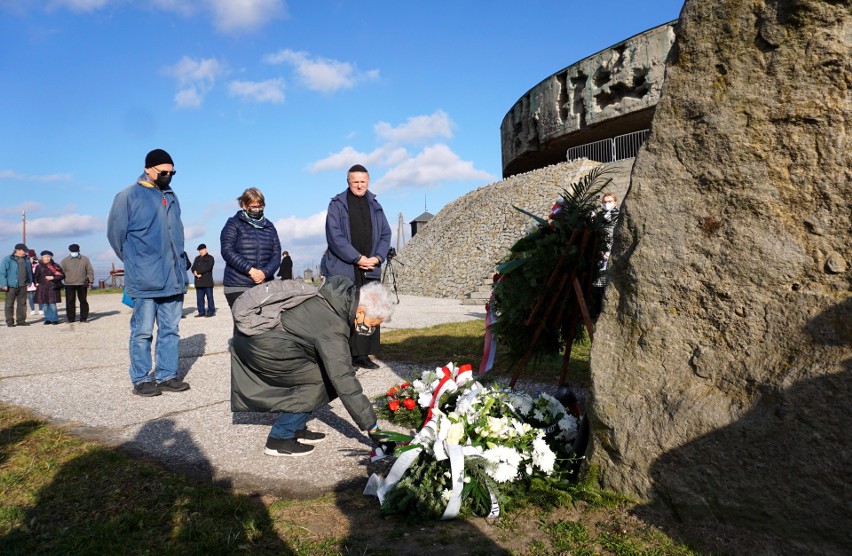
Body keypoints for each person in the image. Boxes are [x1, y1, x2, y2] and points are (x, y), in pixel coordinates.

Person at [231, 277, 395, 457]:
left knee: (323, 375)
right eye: (372, 324)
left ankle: (296, 427)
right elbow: (344, 380)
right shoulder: (332, 325)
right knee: (321, 381)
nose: (370, 330)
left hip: (261, 339)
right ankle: (280, 438)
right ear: (361, 311)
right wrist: (373, 428)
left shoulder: (334, 299)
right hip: (264, 347)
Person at [107, 148, 190, 397]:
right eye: (162, 171)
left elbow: (177, 233)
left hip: (173, 278)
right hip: (145, 279)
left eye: (171, 172)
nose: (167, 175)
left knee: (170, 329)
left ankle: (166, 375)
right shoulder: (127, 196)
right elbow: (115, 236)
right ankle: (141, 378)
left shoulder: (171, 196)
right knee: (142, 331)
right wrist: (137, 263)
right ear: (148, 169)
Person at [322, 164, 391, 370]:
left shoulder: (375, 205)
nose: (359, 186)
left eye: (363, 182)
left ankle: (362, 354)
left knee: (369, 309)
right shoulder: (337, 204)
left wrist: (377, 257)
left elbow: (386, 234)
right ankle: (345, 355)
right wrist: (357, 258)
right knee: (347, 311)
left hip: (371, 267)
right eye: (355, 182)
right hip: (346, 266)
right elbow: (335, 236)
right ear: (348, 182)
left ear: (368, 181)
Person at [220, 187, 281, 309]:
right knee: (244, 325)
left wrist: (265, 272)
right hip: (238, 284)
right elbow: (227, 251)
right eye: (254, 207)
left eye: (260, 206)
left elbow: (276, 254)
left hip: (265, 284)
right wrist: (250, 270)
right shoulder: (233, 223)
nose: (258, 210)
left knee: (265, 324)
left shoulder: (269, 226)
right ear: (244, 205)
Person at [590, 192, 620, 320]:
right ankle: (599, 313)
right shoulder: (600, 216)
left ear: (615, 202)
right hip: (601, 252)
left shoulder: (618, 214)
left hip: (613, 251)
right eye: (605, 202)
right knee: (599, 283)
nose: (607, 204)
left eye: (610, 201)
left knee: (611, 282)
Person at [1, 243, 35, 327]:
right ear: (17, 250)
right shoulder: (7, 259)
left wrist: (29, 282)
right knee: (9, 304)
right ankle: (9, 321)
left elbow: (29, 271)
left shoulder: (27, 259)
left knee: (22, 303)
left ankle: (21, 320)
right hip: (10, 285)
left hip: (23, 285)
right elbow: (2, 273)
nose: (25, 252)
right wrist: (4, 284)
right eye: (24, 251)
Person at [60, 243, 94, 323]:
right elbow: (62, 272)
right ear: (70, 251)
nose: (74, 252)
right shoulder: (65, 261)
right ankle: (71, 319)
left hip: (82, 283)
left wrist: (90, 281)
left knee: (83, 301)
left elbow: (89, 270)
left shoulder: (85, 259)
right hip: (69, 284)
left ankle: (83, 318)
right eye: (72, 251)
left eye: (75, 250)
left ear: (79, 250)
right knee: (70, 302)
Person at [33, 250, 64, 325]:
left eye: (48, 257)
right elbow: (35, 276)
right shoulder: (38, 266)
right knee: (45, 305)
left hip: (52, 287)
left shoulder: (55, 266)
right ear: (42, 257)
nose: (47, 258)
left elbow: (62, 275)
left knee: (52, 304)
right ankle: (48, 319)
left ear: (51, 257)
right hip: (42, 288)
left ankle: (55, 319)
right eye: (45, 257)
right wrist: (36, 283)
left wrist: (53, 277)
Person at [191, 243, 216, 317]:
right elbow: (193, 267)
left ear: (206, 249)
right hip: (198, 282)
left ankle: (211, 311)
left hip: (207, 282)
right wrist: (195, 272)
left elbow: (209, 267)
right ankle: (201, 312)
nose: (200, 251)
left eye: (201, 249)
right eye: (199, 250)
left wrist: (198, 272)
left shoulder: (210, 258)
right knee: (199, 298)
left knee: (209, 298)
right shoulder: (197, 258)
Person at [26, 249, 40, 316]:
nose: (31, 257)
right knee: (31, 297)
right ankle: (32, 309)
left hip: (37, 282)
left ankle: (41, 309)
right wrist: (30, 263)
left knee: (39, 296)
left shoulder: (38, 262)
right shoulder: (26, 262)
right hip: (30, 282)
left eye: (32, 256)